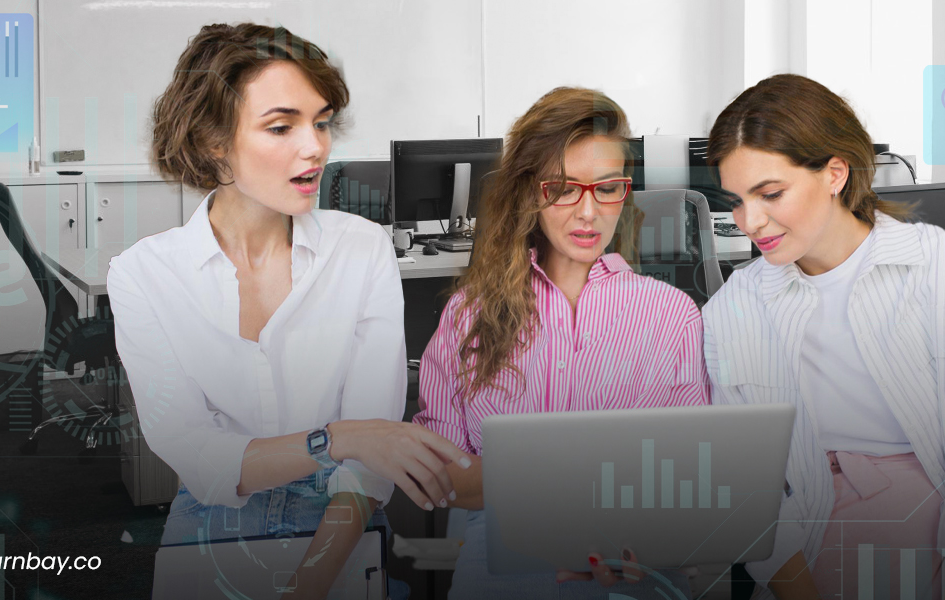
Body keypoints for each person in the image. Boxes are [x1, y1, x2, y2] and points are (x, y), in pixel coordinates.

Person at [108, 23, 471, 599]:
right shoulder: (143, 274)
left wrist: (312, 582)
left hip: (342, 515)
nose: (316, 147)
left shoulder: (361, 248)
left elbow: (371, 454)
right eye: (281, 126)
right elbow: (198, 456)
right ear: (212, 141)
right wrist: (335, 439)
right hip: (212, 519)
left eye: (321, 122)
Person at [702, 74, 945, 599]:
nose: (749, 221)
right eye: (736, 200)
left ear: (834, 172)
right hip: (823, 523)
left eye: (770, 194)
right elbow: (752, 490)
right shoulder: (732, 308)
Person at [413, 87, 710, 599]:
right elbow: (443, 476)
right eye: (563, 188)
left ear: (626, 190)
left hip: (636, 556)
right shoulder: (471, 315)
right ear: (531, 192)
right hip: (508, 555)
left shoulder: (672, 315)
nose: (588, 212)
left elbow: (688, 478)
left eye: (607, 187)